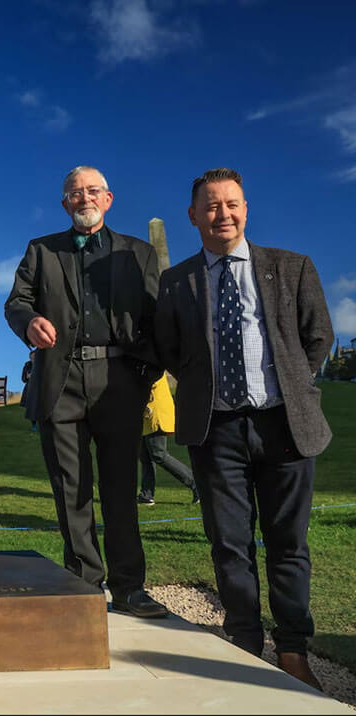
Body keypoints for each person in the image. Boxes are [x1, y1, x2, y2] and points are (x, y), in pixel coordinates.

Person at [154, 168, 333, 689]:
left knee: (288, 544)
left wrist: (295, 386)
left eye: (232, 204)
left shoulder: (292, 267)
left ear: (246, 209)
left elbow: (317, 336)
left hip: (286, 427)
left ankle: (293, 650)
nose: (222, 214)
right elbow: (168, 348)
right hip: (217, 430)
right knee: (229, 544)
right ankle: (245, 644)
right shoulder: (177, 281)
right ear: (194, 216)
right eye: (211, 206)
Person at [4, 165, 168, 618]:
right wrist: (29, 322)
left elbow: (157, 316)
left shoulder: (139, 253)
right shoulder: (42, 251)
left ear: (109, 199)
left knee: (120, 490)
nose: (84, 198)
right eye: (75, 193)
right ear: (64, 203)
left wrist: (145, 373)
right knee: (71, 490)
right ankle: (82, 585)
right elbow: (16, 302)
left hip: (120, 381)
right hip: (60, 383)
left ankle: (130, 587)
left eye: (93, 191)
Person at [138, 375, 199, 506]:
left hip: (156, 412)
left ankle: (196, 484)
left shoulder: (149, 363)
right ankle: (146, 495)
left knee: (158, 454)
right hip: (147, 415)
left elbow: (147, 383)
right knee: (145, 456)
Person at [20, 350, 38, 431]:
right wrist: (28, 376)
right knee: (31, 407)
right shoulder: (27, 365)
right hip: (30, 388)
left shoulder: (41, 363)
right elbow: (24, 378)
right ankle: (34, 425)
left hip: (40, 387)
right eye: (31, 357)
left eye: (34, 356)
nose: (33, 358)